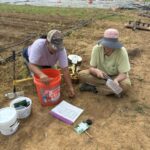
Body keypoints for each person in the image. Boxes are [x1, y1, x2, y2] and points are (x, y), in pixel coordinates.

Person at [22, 29, 75, 98]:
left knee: (52, 77)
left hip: (48, 61)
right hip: (32, 58)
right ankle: (30, 66)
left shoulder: (61, 50)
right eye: (54, 47)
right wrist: (41, 74)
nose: (56, 49)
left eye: (58, 47)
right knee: (41, 80)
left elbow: (65, 69)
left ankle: (45, 67)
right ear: (47, 42)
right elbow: (31, 65)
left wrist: (70, 87)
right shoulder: (38, 45)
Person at [78, 28, 131, 96]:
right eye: (106, 44)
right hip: (101, 76)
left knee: (126, 86)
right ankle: (112, 90)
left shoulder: (122, 52)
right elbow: (91, 68)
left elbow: (123, 74)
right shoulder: (96, 48)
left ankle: (94, 88)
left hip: (116, 76)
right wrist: (96, 71)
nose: (107, 47)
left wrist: (116, 80)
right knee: (81, 74)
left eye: (111, 45)